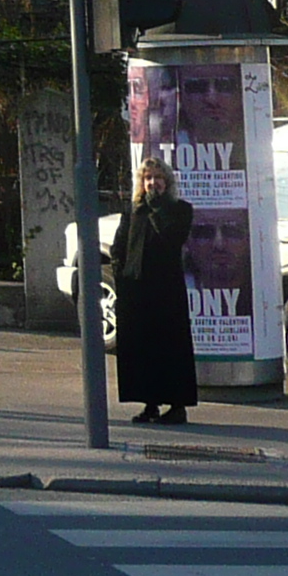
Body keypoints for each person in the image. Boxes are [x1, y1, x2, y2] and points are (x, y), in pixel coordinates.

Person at [112, 159, 199, 425]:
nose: (152, 183)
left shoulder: (180, 210)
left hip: (166, 292)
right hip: (137, 291)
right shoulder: (134, 211)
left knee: (169, 348)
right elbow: (120, 247)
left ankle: (176, 405)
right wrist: (121, 275)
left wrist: (157, 208)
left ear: (167, 182)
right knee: (141, 349)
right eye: (148, 178)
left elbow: (172, 239)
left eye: (158, 178)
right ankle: (149, 403)